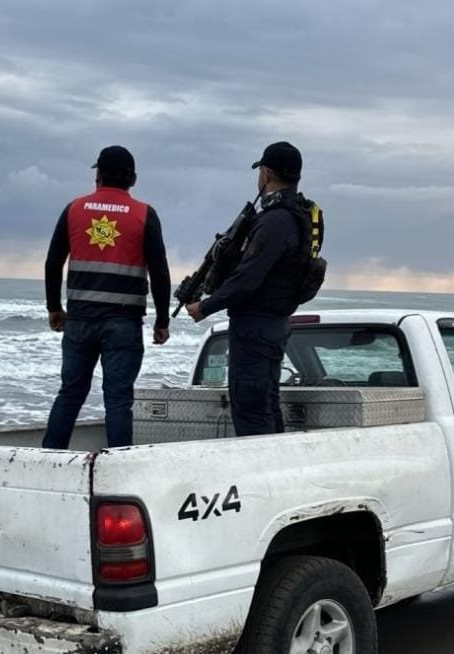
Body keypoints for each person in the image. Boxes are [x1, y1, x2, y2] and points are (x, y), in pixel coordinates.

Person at [43, 146, 171, 449]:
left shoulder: (74, 209)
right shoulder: (144, 214)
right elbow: (160, 272)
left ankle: (48, 459)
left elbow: (52, 262)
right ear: (134, 179)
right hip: (123, 323)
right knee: (118, 399)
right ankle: (118, 466)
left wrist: (54, 308)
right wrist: (162, 321)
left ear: (98, 174)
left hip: (80, 320)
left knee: (70, 393)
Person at [186, 141, 311, 436]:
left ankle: (262, 479)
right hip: (271, 325)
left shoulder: (276, 221)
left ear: (266, 174)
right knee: (266, 405)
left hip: (256, 327)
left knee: (251, 410)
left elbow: (248, 278)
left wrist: (205, 307)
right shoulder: (294, 215)